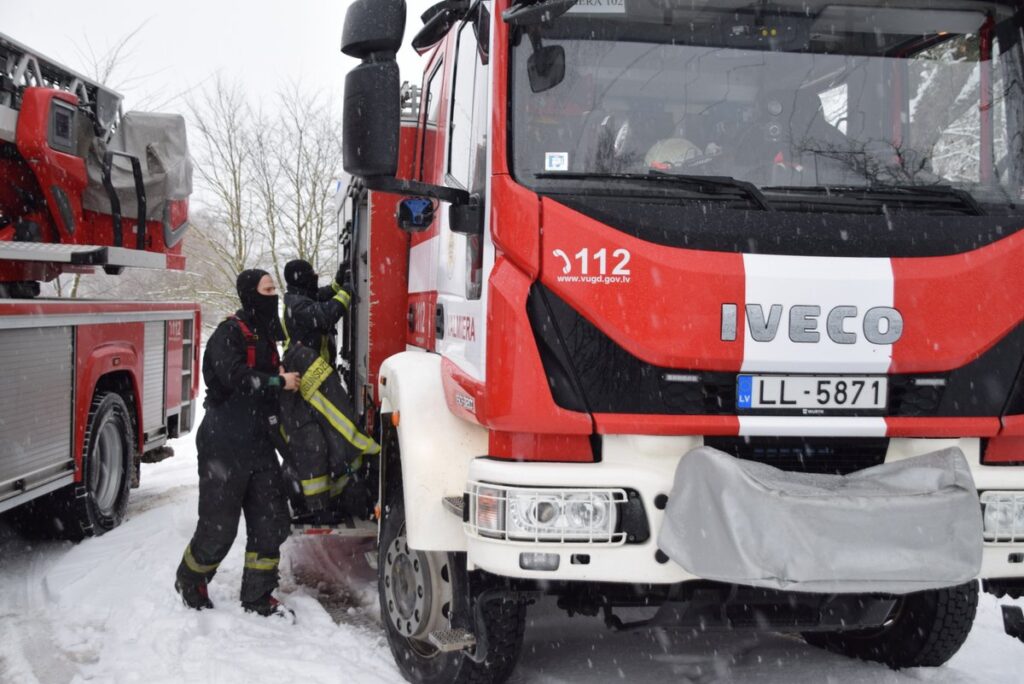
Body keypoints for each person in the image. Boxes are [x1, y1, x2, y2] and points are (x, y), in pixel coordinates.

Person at [174, 269, 299, 620]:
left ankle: (258, 595)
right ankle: (190, 578)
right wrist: (278, 381)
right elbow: (235, 378)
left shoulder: (266, 335)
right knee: (219, 527)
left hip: (259, 443)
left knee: (269, 521)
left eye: (275, 288)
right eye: (267, 289)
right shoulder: (228, 334)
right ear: (249, 293)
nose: (274, 294)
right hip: (224, 444)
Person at [279, 259, 380, 525]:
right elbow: (325, 314)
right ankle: (314, 504)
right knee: (321, 435)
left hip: (315, 373)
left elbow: (322, 296)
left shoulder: (301, 297)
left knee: (324, 439)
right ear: (301, 278)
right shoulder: (297, 305)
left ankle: (325, 499)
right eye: (310, 273)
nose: (315, 275)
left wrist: (338, 282)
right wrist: (347, 291)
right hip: (306, 378)